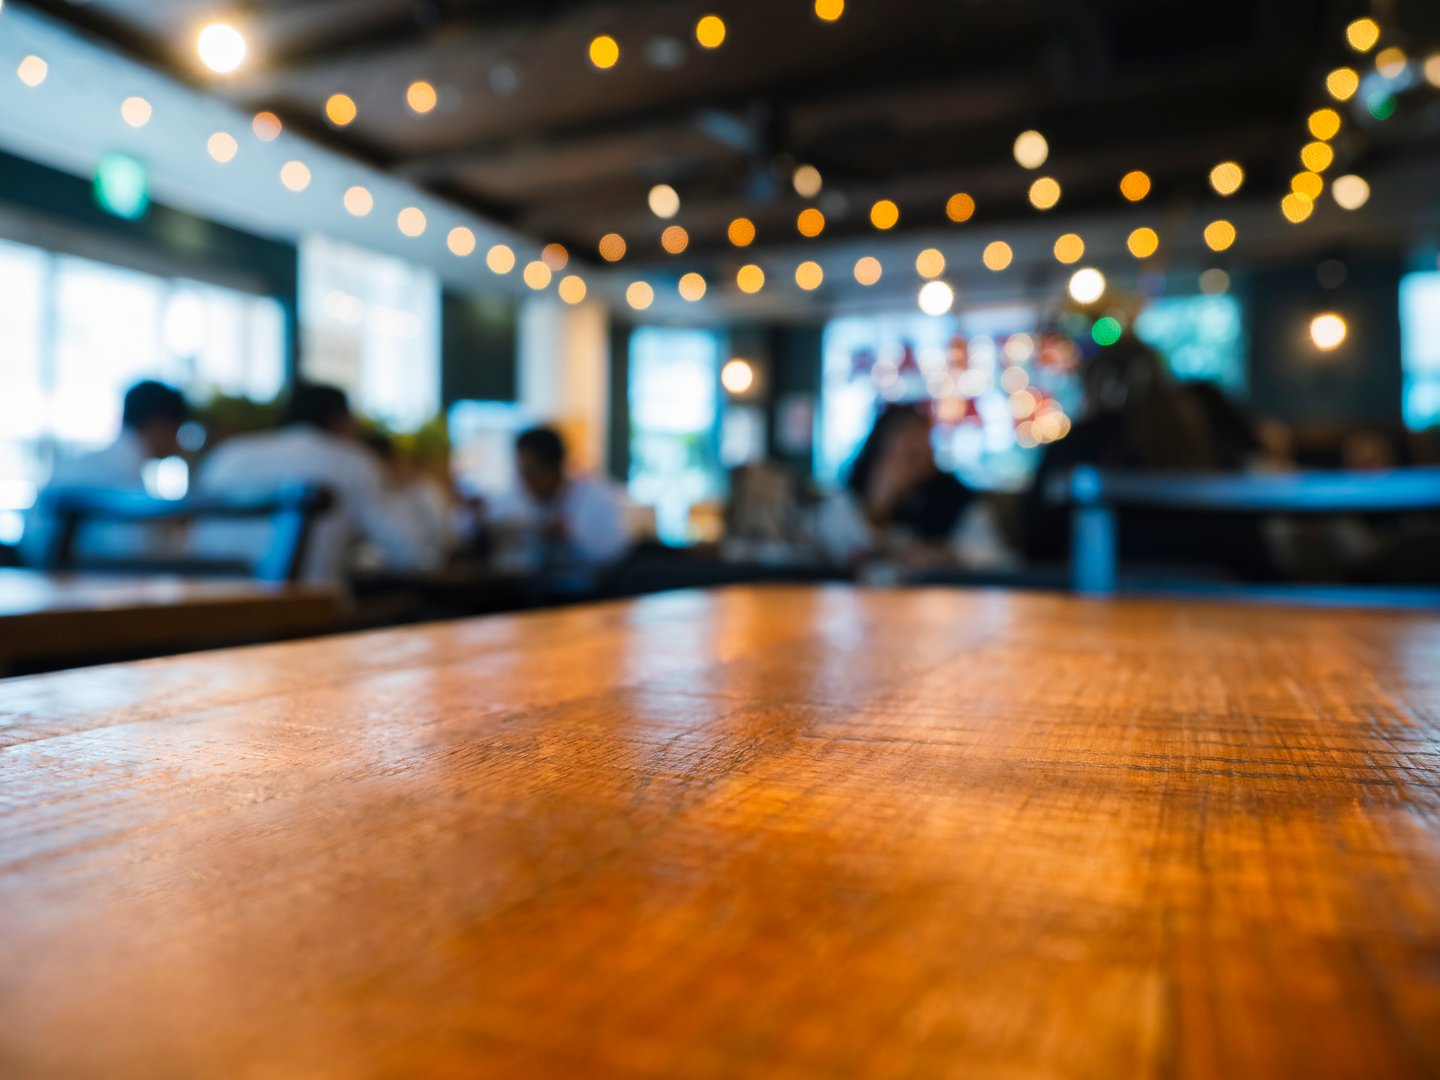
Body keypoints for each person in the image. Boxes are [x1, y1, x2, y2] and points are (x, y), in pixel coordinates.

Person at [191, 383, 443, 585]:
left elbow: (196, 544)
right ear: (339, 420)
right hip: (299, 618)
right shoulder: (350, 461)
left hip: (206, 608)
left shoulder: (228, 455)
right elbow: (410, 553)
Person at [817, 405, 1010, 571]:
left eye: (920, 441)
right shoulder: (848, 498)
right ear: (879, 449)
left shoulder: (956, 497)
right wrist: (878, 505)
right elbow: (832, 552)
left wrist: (943, 554)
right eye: (902, 449)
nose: (914, 451)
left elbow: (994, 556)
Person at [22, 379, 189, 564]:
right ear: (159, 424)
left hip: (37, 567)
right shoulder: (124, 467)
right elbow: (133, 551)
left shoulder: (102, 459)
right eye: (179, 430)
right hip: (67, 578)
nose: (180, 444)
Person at [489, 426, 630, 579]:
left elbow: (614, 556)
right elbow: (492, 519)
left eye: (530, 473)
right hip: (532, 591)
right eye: (521, 472)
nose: (524, 481)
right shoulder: (519, 497)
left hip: (591, 595)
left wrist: (570, 536)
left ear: (554, 468)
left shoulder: (597, 497)